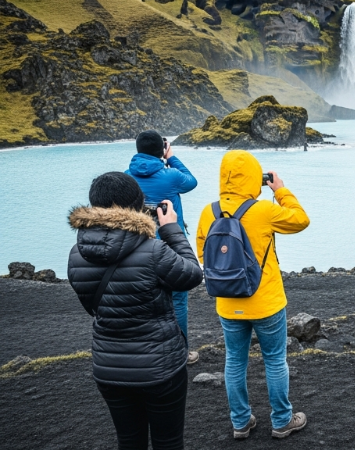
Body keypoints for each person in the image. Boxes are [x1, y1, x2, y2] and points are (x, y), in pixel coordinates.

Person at [67, 172, 203, 449]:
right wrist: (172, 230)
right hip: (161, 366)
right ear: (139, 205)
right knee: (168, 442)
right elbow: (191, 275)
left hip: (108, 367)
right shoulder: (154, 250)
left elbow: (91, 307)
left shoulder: (76, 253)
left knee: (129, 441)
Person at [196, 150, 310, 440]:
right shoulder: (263, 210)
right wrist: (281, 190)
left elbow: (202, 255)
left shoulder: (208, 212)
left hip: (227, 301)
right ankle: (282, 421)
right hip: (266, 301)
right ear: (254, 177)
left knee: (235, 360)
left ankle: (241, 422)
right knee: (274, 360)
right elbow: (300, 220)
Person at [126, 130, 200, 364]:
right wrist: (171, 157)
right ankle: (181, 352)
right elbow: (192, 181)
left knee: (144, 298)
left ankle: (148, 350)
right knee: (177, 299)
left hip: (138, 246)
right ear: (162, 149)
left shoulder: (127, 177)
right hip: (172, 243)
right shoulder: (171, 176)